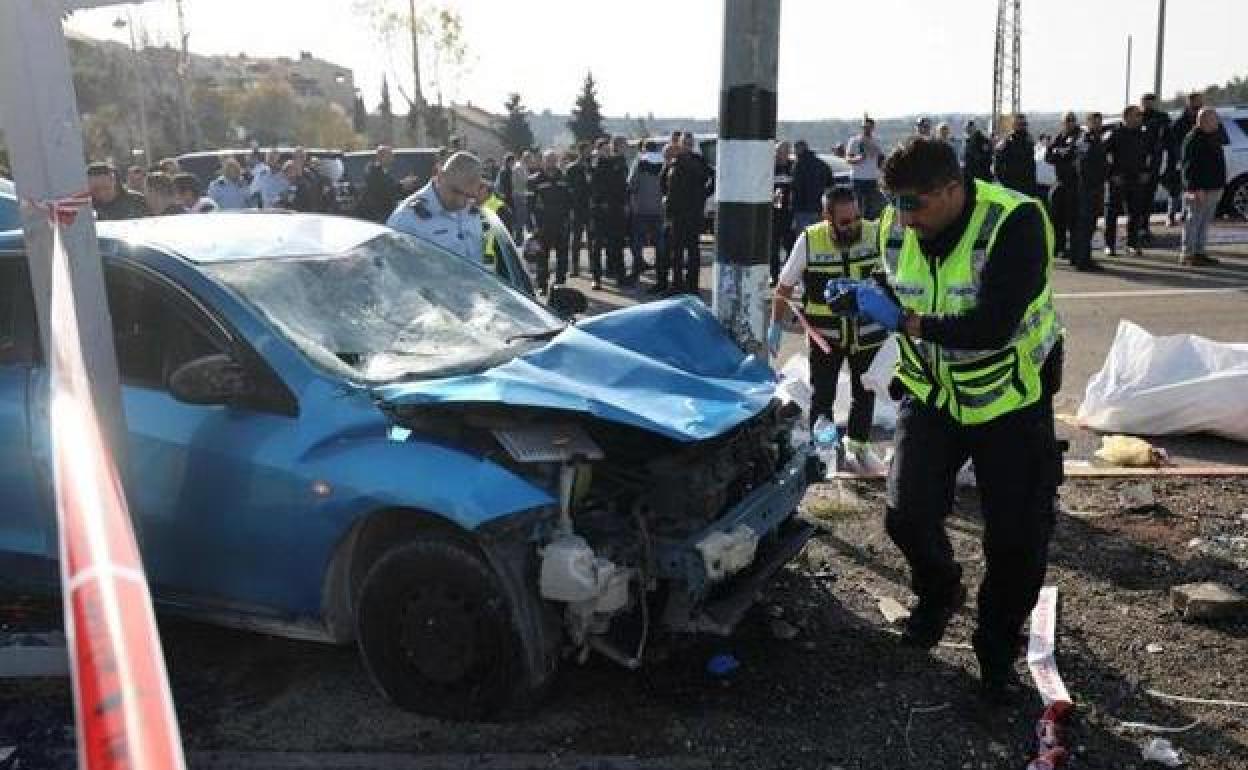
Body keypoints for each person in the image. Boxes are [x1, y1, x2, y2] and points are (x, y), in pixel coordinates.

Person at [836, 136, 1064, 702]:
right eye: (897, 206)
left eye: (915, 205)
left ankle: (994, 650)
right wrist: (867, 295)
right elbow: (896, 279)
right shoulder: (897, 223)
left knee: (1015, 541)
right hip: (932, 393)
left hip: (1008, 401)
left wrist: (907, 322)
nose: (904, 219)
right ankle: (939, 594)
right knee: (905, 516)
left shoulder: (1014, 223)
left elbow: (992, 326)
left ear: (953, 190)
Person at [769, 186, 887, 472]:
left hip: (868, 335)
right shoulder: (810, 240)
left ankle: (857, 448)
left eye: (856, 217)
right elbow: (784, 287)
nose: (853, 226)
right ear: (827, 217)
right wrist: (776, 324)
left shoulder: (874, 234)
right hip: (826, 338)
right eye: (845, 221)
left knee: (864, 393)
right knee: (823, 396)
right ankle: (823, 453)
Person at [387, 151, 486, 264]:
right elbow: (395, 274)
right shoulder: (406, 220)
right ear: (440, 177)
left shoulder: (469, 207)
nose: (461, 203)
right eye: (456, 192)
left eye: (470, 196)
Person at [664, 132, 713, 295]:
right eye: (685, 143)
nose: (687, 146)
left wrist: (702, 196)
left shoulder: (698, 160)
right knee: (676, 250)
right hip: (676, 212)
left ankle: (692, 285)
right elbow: (664, 182)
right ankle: (677, 284)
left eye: (690, 143)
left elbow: (711, 178)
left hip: (693, 212)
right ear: (679, 143)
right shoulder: (673, 161)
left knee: (693, 249)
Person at [1179, 107, 1227, 267]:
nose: (1217, 122)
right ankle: (1188, 254)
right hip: (1200, 189)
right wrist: (1194, 188)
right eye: (1214, 119)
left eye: (1217, 119)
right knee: (1193, 222)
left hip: (1214, 187)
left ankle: (1199, 252)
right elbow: (1188, 167)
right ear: (1202, 121)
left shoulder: (1213, 136)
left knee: (1204, 222)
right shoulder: (1193, 139)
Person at [1103, 105, 1150, 257]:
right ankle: (1109, 245)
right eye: (1137, 115)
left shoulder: (1142, 134)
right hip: (1118, 180)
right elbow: (1103, 156)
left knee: (1135, 213)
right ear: (1127, 116)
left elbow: (1148, 155)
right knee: (1112, 214)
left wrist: (1146, 171)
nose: (1140, 118)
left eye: (1140, 115)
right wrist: (1111, 174)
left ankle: (1132, 244)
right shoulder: (1114, 133)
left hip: (1136, 179)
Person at [529, 149, 574, 292]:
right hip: (543, 224)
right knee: (542, 256)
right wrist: (532, 225)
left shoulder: (564, 178)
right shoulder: (534, 180)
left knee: (562, 256)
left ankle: (560, 284)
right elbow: (529, 205)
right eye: (548, 160)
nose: (551, 163)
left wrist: (569, 220)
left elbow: (570, 201)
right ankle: (542, 285)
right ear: (543, 162)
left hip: (561, 223)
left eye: (554, 160)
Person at [1068, 112, 1107, 273]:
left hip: (1095, 187)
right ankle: (1082, 260)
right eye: (1095, 122)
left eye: (1100, 122)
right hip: (1087, 188)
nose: (1098, 125)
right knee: (1085, 225)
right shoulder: (1085, 140)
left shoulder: (1099, 139)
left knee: (1089, 225)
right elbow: (1081, 165)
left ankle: (1081, 257)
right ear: (1088, 123)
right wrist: (1090, 183)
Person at [589, 137, 630, 289]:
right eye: (603, 149)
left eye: (608, 149)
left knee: (617, 244)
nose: (606, 152)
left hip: (615, 210)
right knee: (597, 246)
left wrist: (624, 203)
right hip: (599, 211)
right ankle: (596, 278)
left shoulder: (617, 163)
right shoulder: (594, 164)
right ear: (598, 150)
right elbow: (591, 185)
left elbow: (622, 185)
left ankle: (620, 276)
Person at [1044, 114, 1081, 257]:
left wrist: (1061, 153)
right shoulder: (1059, 137)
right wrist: (1060, 153)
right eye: (1067, 121)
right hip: (1060, 182)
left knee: (1073, 219)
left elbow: (1073, 154)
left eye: (1072, 120)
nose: (1069, 123)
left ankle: (1075, 250)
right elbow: (1049, 156)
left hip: (1075, 184)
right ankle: (1058, 247)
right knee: (1057, 218)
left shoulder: (1080, 136)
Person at [629, 139, 665, 284]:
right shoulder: (663, 162)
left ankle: (636, 271)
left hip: (641, 208)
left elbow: (632, 183)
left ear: (644, 149)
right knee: (660, 243)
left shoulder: (639, 162)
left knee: (638, 242)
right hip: (659, 208)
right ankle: (661, 275)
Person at [1165, 92, 1204, 226]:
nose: (1199, 105)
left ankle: (1185, 214)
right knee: (1175, 189)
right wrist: (1178, 159)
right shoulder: (1180, 122)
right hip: (1180, 159)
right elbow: (1172, 142)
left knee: (1190, 188)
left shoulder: (1201, 118)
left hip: (1196, 158)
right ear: (1190, 103)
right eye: (1197, 102)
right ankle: (1170, 216)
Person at [1138, 93, 1172, 243]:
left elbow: (1169, 138)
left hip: (1154, 163)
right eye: (1146, 102)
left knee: (1148, 197)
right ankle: (1137, 228)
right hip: (1136, 164)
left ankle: (1144, 227)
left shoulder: (1161, 118)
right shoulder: (1137, 117)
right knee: (1136, 198)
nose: (1148, 105)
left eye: (1151, 102)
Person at [790, 139, 833, 234]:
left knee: (804, 239)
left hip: (802, 209)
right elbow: (830, 186)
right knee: (817, 237)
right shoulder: (822, 165)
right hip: (818, 208)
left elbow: (794, 187)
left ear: (798, 149)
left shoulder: (798, 166)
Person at [564, 142, 593, 278]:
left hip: (590, 207)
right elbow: (567, 190)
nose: (589, 153)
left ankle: (593, 265)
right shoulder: (572, 168)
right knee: (576, 238)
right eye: (587, 151)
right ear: (580, 152)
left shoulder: (592, 167)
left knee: (592, 237)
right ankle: (574, 267)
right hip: (577, 207)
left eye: (590, 151)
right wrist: (570, 208)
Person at [847, 118, 884, 220]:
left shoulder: (877, 141)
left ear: (873, 128)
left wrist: (882, 175)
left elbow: (881, 160)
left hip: (872, 178)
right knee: (858, 207)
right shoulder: (854, 141)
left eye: (869, 127)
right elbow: (848, 159)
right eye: (864, 127)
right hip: (857, 178)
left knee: (871, 208)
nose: (866, 129)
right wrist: (858, 159)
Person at [993, 114, 1036, 197]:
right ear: (1014, 126)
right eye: (1020, 125)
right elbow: (998, 164)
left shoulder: (1029, 141)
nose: (1023, 127)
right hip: (1012, 186)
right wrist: (1004, 183)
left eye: (1024, 124)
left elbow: (1031, 164)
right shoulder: (1007, 142)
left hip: (1027, 186)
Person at [357, 145, 403, 223]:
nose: (392, 159)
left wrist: (402, 185)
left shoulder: (384, 171)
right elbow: (383, 190)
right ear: (381, 157)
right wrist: (401, 185)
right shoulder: (373, 171)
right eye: (389, 156)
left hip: (385, 213)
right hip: (375, 215)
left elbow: (391, 188)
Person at [771, 140, 795, 286]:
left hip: (789, 213)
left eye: (784, 152)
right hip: (773, 213)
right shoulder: (770, 168)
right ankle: (774, 276)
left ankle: (787, 277)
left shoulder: (793, 168)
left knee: (790, 246)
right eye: (779, 152)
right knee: (772, 248)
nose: (781, 155)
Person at [511, 150, 532, 241]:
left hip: (522, 194)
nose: (529, 160)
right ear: (524, 157)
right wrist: (534, 177)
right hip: (519, 194)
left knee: (523, 216)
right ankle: (518, 238)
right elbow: (524, 180)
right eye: (528, 158)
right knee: (520, 216)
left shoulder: (523, 166)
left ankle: (520, 237)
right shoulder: (519, 167)